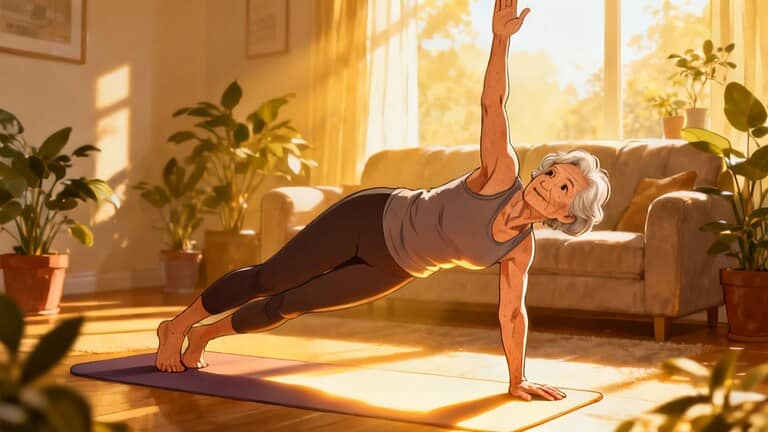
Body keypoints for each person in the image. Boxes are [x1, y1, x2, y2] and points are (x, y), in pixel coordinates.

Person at [154, 0, 610, 402]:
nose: (550, 182)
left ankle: (206, 336)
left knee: (291, 304)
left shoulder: (519, 249)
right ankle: (176, 327)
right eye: (553, 172)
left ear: (566, 215)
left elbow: (512, 312)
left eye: (565, 188)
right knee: (272, 277)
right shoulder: (502, 174)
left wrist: (518, 378)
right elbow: (494, 104)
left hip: (395, 268)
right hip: (371, 217)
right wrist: (499, 42)